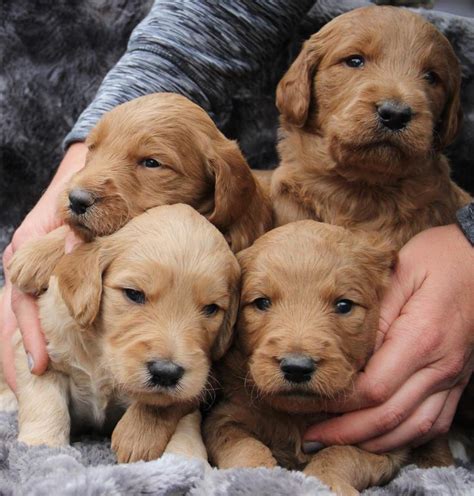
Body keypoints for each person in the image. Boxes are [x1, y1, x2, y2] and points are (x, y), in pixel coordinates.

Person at [1, 0, 473, 455]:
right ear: (300, 88)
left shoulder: (438, 213)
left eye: (431, 78)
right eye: (353, 61)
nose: (397, 100)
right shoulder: (255, 214)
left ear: (450, 114)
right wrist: (69, 236)